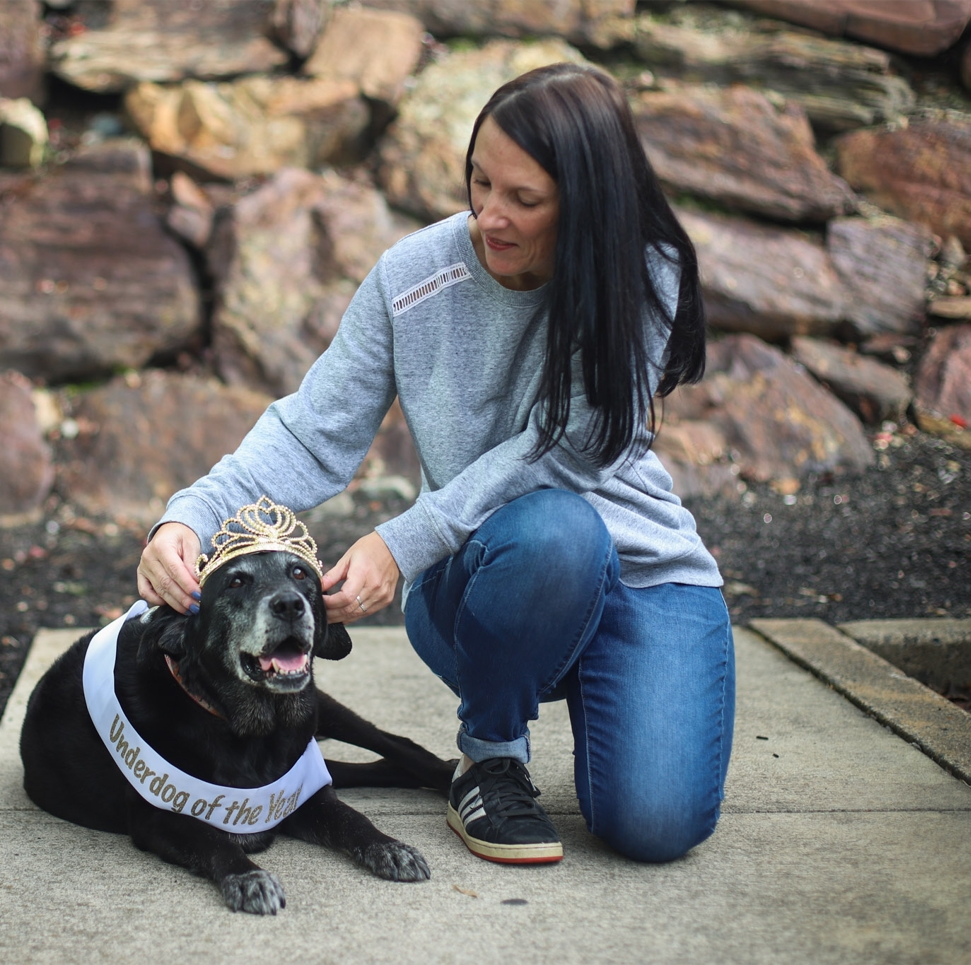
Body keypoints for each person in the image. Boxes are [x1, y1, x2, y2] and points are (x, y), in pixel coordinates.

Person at [138, 62, 734, 866]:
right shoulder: (415, 276)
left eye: (524, 199)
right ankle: (491, 750)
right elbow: (313, 432)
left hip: (644, 577)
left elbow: (572, 450)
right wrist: (189, 515)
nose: (489, 216)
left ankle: (604, 679)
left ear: (591, 204)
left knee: (656, 827)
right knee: (555, 537)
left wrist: (404, 539)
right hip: (496, 578)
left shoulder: (643, 269)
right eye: (478, 182)